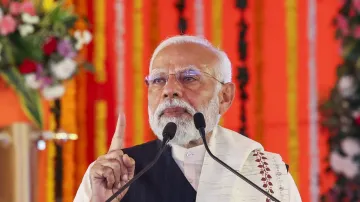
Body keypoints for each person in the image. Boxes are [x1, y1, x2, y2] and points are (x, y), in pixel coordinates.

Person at [74, 35, 302, 202]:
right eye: (158, 80)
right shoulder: (111, 175)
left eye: (190, 78)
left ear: (225, 96)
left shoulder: (265, 173)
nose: (169, 90)